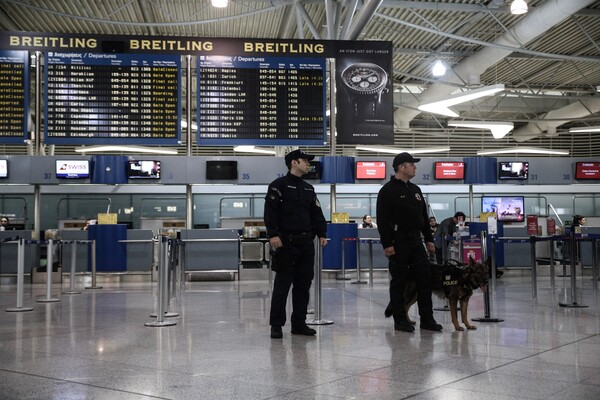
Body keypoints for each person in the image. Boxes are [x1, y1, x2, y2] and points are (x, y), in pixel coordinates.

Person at [264, 149, 328, 339]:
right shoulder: (278, 186)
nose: (308, 164)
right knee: (282, 285)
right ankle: (276, 325)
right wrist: (273, 234)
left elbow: (316, 213)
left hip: (306, 244)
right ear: (294, 162)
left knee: (303, 285)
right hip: (286, 244)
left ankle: (298, 323)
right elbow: (270, 212)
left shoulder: (308, 188)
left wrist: (322, 233)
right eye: (305, 161)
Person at [376, 152, 442, 333]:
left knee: (424, 280)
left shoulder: (415, 190)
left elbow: (423, 217)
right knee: (399, 282)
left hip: (416, 241)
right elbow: (382, 220)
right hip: (398, 242)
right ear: (401, 167)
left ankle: (427, 319)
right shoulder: (387, 190)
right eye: (411, 164)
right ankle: (400, 319)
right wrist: (387, 244)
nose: (415, 167)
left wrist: (428, 239)